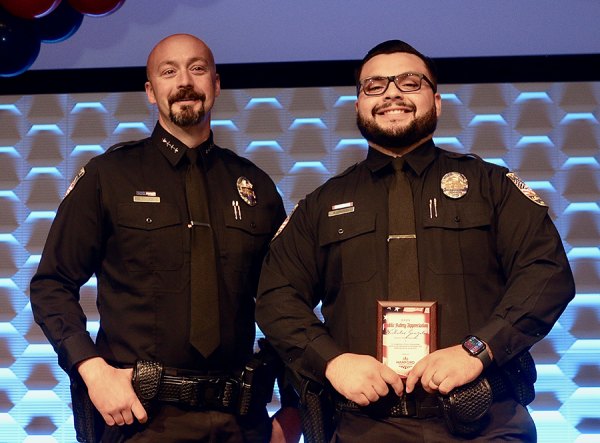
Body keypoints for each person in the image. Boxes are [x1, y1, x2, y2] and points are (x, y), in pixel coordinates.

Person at [255, 39, 575, 442]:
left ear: (436, 102)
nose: (391, 93)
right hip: (365, 427)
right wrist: (333, 362)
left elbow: (546, 275)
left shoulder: (491, 187)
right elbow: (276, 298)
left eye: (410, 82)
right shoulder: (322, 205)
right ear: (357, 106)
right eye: (374, 86)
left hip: (485, 423)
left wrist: (478, 349)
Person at [30, 33, 301, 443]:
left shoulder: (255, 187)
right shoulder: (109, 176)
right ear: (151, 92)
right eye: (168, 71)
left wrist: (293, 408)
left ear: (216, 83)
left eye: (197, 69)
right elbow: (52, 285)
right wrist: (91, 369)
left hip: (241, 422)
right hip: (140, 420)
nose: (184, 82)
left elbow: (285, 302)